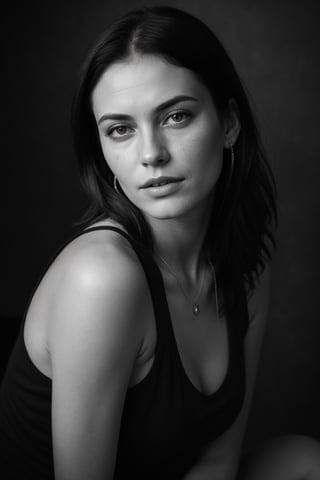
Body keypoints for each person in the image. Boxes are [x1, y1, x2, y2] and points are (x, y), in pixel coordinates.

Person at [0, 5, 319, 480]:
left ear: (228, 123)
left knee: (306, 460)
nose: (151, 154)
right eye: (120, 129)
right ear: (103, 149)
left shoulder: (247, 262)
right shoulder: (102, 277)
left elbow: (216, 462)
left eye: (176, 117)